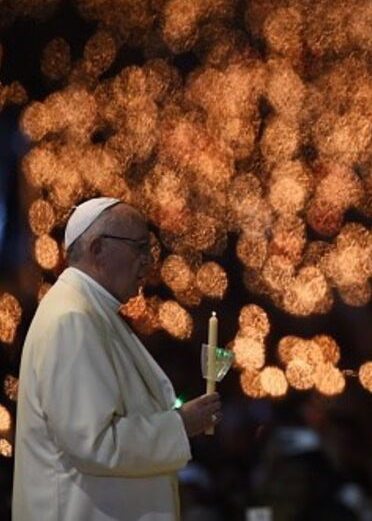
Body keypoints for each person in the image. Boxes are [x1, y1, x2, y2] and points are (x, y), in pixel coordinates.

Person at [13, 197, 222, 520]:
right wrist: (180, 425)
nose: (148, 261)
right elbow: (93, 443)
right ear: (97, 249)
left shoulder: (89, 312)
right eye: (139, 248)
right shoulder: (73, 319)